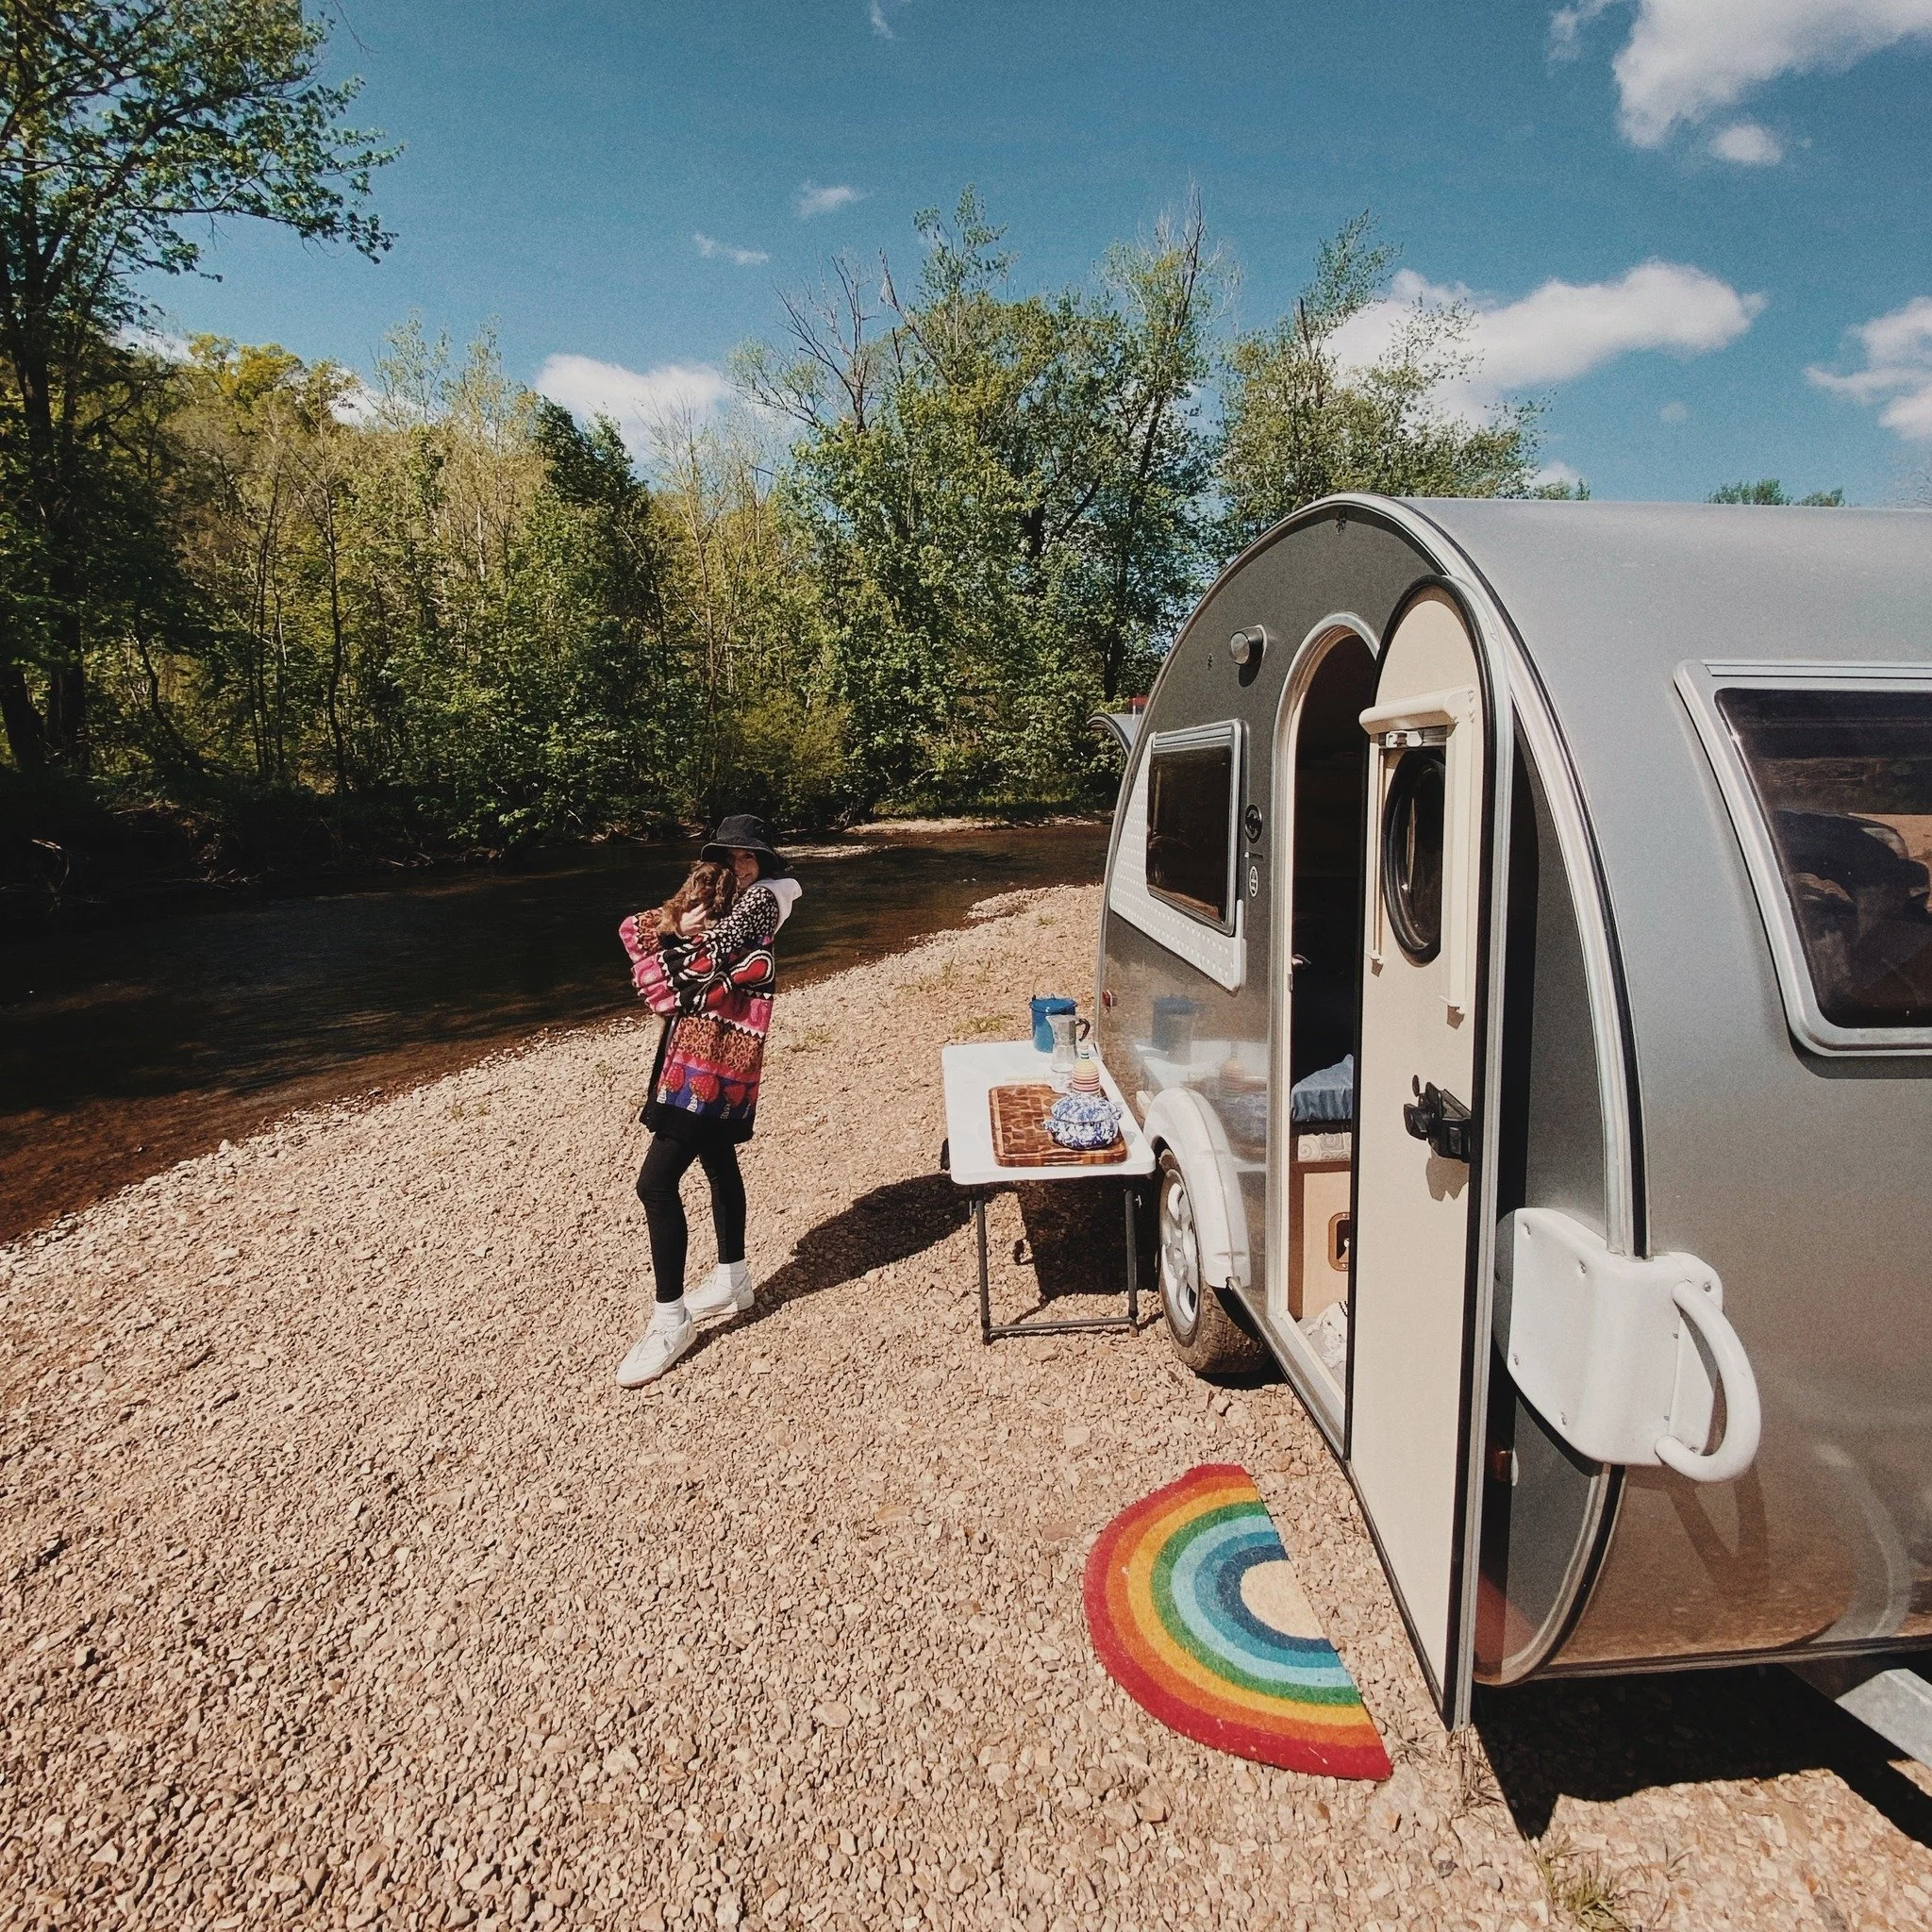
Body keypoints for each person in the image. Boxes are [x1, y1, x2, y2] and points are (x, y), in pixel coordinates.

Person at [614, 816, 801, 1386]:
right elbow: (630, 927)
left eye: (751, 859)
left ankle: (671, 1321)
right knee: (720, 1162)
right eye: (732, 858)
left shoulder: (764, 902)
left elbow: (697, 966)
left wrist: (674, 938)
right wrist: (675, 920)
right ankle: (733, 1279)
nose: (741, 868)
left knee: (655, 1184)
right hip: (706, 1056)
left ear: (766, 866)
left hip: (712, 1063)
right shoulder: (714, 899)